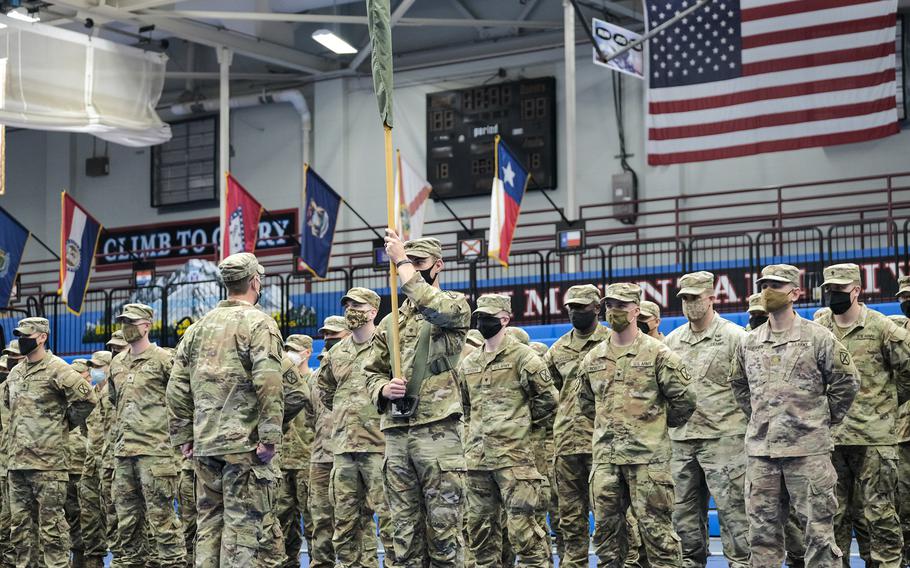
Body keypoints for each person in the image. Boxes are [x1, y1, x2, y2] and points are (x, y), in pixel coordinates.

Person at [730, 264, 859, 568]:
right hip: (762, 455)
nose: (768, 292)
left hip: (808, 453)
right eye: (764, 286)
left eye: (776, 286)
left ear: (795, 293)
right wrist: (760, 419)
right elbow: (738, 384)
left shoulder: (818, 338)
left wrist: (822, 420)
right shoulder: (749, 342)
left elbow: (847, 383)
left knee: (818, 537)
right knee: (762, 537)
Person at [167, 252, 285, 567]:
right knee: (243, 528)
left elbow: (177, 387)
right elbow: (269, 381)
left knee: (208, 525)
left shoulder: (196, 328)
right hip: (243, 444)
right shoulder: (259, 322)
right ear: (255, 281)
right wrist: (270, 434)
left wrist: (184, 436)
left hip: (205, 444)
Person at [363, 233, 470, 567]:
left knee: (444, 535)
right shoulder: (389, 323)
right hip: (397, 434)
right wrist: (382, 389)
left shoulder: (454, 306)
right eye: (409, 263)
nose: (410, 269)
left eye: (420, 263)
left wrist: (402, 261)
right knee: (404, 538)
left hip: (437, 433)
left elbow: (431, 305)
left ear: (438, 266)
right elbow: (371, 372)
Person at [578, 283, 694, 567]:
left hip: (648, 461)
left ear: (636, 310)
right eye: (609, 306)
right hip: (606, 460)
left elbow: (685, 401)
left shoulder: (658, 354)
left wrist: (654, 427)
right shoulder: (593, 358)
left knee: (658, 537)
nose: (613, 311)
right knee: (607, 539)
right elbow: (586, 404)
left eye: (620, 305)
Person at [814, 263, 910, 568]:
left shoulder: (882, 327)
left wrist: (889, 404)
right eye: (829, 290)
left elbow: (907, 369)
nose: (833, 296)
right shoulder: (819, 327)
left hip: (874, 439)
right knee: (833, 516)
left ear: (856, 290)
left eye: (839, 291)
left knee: (880, 514)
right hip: (831, 439)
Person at [457, 294, 558, 567]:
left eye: (488, 316)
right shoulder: (469, 364)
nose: (482, 321)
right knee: (480, 536)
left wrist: (522, 428)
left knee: (525, 535)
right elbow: (466, 408)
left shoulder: (524, 358)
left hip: (515, 461)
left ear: (504, 319)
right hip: (477, 462)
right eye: (479, 316)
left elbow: (549, 401)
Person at [664, 271, 749, 568]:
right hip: (682, 441)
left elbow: (753, 387)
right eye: (684, 298)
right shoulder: (672, 342)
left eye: (694, 298)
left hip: (725, 440)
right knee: (682, 517)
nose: (689, 304)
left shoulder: (736, 338)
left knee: (735, 513)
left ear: (712, 298)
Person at [5, 317, 98, 568]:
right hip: (18, 464)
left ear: (43, 336)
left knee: (52, 531)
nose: (22, 340)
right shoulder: (15, 373)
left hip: (49, 465)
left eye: (28, 335)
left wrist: (64, 424)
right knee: (21, 532)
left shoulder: (57, 368)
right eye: (20, 335)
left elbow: (86, 399)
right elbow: (9, 408)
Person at [319, 287, 398, 568]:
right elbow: (326, 391)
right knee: (346, 523)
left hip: (380, 446)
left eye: (358, 305)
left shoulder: (388, 345)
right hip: (344, 447)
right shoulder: (337, 352)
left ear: (373, 311)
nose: (351, 309)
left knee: (390, 520)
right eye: (348, 304)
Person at [109, 304, 186, 568]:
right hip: (123, 453)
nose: (126, 327)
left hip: (156, 453)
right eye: (123, 322)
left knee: (162, 521)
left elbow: (182, 399)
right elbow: (113, 400)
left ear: (146, 325)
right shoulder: (116, 363)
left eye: (132, 321)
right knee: (127, 523)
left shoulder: (164, 360)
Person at [544, 284, 607, 568]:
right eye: (570, 307)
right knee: (569, 518)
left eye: (580, 307)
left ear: (597, 308)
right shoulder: (558, 350)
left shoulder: (612, 342)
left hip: (603, 444)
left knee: (610, 516)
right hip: (567, 444)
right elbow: (547, 392)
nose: (574, 312)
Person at [277, 334, 315, 568]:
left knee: (312, 522)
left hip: (307, 461)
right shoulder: (280, 383)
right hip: (281, 461)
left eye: (295, 350)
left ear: (307, 353)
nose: (290, 353)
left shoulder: (315, 381)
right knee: (282, 523)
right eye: (287, 349)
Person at [81, 351, 112, 568]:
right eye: (93, 366)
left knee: (116, 516)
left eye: (100, 366)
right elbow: (84, 428)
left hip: (111, 464)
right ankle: (94, 561)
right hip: (91, 465)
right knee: (90, 518)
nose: (95, 371)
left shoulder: (116, 393)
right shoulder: (89, 396)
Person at [67, 359, 92, 567]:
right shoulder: (63, 395)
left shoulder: (89, 398)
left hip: (83, 468)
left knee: (82, 524)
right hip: (63, 467)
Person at [893, 275, 910, 567]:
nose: (906, 301)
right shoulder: (897, 333)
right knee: (904, 501)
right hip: (905, 430)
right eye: (903, 296)